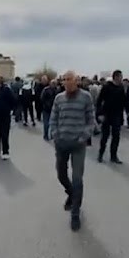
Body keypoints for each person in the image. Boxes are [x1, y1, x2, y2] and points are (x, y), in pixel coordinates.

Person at [50, 71, 97, 230]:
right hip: (61, 143)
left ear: (76, 81)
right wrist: (55, 134)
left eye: (69, 79)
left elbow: (91, 120)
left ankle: (75, 213)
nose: (66, 82)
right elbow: (53, 119)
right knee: (61, 175)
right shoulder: (59, 98)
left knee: (77, 179)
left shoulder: (85, 97)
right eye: (64, 80)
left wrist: (84, 136)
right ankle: (71, 193)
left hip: (78, 144)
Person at [96, 70, 128, 163]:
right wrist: (99, 114)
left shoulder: (121, 88)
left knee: (116, 136)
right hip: (107, 114)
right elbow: (99, 100)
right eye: (120, 76)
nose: (121, 78)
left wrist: (128, 111)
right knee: (105, 136)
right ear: (116, 77)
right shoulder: (107, 87)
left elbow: (124, 101)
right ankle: (100, 154)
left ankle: (113, 156)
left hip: (117, 115)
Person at [0, 75, 18, 159]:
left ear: (0, 82)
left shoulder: (6, 90)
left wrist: (8, 109)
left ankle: (5, 152)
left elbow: (13, 100)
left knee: (4, 134)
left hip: (4, 116)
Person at [39, 75, 58, 140]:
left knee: (53, 123)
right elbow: (42, 98)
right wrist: (45, 105)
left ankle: (51, 135)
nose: (54, 85)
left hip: (54, 109)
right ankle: (46, 135)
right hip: (46, 109)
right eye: (53, 83)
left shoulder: (57, 90)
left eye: (55, 83)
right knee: (46, 123)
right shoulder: (46, 90)